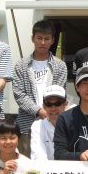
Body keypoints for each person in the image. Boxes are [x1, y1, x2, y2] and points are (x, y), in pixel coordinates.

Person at [12, 20, 67, 156]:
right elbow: (19, 94)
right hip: (26, 124)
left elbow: (59, 92)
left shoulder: (60, 65)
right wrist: (38, 110)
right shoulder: (21, 65)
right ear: (33, 39)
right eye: (39, 38)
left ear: (53, 40)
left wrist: (48, 110)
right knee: (25, 165)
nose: (43, 42)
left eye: (47, 39)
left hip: (52, 122)